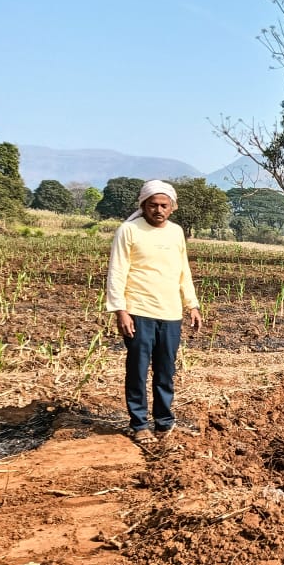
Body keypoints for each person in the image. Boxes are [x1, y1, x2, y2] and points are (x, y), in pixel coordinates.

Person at [105, 180, 202, 446]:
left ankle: (164, 422)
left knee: (165, 371)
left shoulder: (176, 232)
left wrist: (191, 305)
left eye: (163, 205)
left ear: (172, 207)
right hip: (138, 311)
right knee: (137, 369)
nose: (158, 210)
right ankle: (139, 424)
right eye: (153, 205)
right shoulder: (129, 230)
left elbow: (184, 271)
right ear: (143, 206)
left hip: (170, 313)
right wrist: (120, 310)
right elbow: (117, 271)